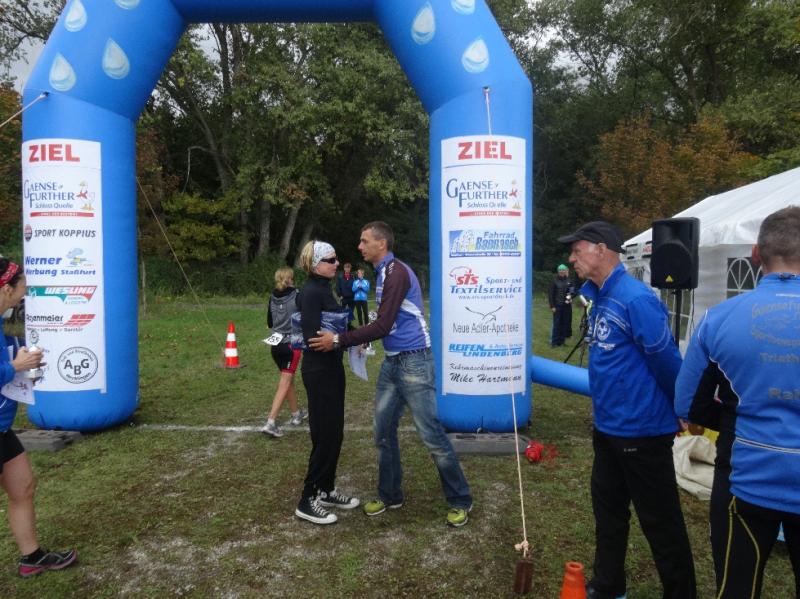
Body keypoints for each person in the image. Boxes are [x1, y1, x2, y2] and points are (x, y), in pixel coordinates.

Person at [557, 221, 696, 599]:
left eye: (577, 250)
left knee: (661, 522)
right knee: (608, 512)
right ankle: (608, 584)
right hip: (607, 427)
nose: (572, 258)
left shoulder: (635, 299)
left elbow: (666, 359)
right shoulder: (601, 295)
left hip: (642, 431)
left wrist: (683, 405)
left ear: (601, 249)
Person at [308, 221, 473, 527]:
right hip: (393, 362)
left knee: (431, 435)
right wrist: (362, 337)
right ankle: (390, 495)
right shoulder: (383, 272)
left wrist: (340, 340)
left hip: (415, 363)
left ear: (381, 244)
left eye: (364, 241)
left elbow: (383, 325)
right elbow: (386, 323)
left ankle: (461, 499)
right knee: (382, 432)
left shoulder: (396, 272)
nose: (359, 246)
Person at [675, 206, 800, 599]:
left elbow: (687, 404)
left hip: (744, 480)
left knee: (736, 590)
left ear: (755, 255)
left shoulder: (718, 318)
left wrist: (733, 417)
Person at [0, 258, 77, 577]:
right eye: (22, 288)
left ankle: (31, 558)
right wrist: (14, 367)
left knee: (24, 487)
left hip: (3, 428)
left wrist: (25, 358)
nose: (24, 294)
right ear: (6, 288)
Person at [293, 241, 359, 525]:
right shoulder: (311, 291)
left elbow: (335, 329)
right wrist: (341, 340)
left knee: (335, 433)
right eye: (330, 260)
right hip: (319, 372)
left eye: (336, 259)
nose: (336, 264)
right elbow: (312, 337)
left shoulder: (323, 288)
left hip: (331, 368)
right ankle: (307, 498)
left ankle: (326, 489)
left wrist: (353, 337)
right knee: (324, 435)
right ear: (316, 264)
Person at [262, 266, 307, 438]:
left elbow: (270, 322)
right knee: (285, 382)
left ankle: (296, 414)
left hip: (276, 346)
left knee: (288, 380)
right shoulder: (297, 295)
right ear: (291, 279)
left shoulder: (272, 297)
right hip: (291, 345)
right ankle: (271, 422)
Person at [547, 264, 573, 347]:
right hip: (557, 305)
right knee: (557, 324)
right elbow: (550, 294)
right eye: (560, 270)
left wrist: (571, 297)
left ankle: (561, 342)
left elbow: (572, 291)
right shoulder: (554, 281)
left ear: (565, 271)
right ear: (558, 271)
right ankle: (554, 342)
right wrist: (552, 306)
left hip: (566, 306)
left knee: (564, 323)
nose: (562, 271)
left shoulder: (569, 280)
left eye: (563, 270)